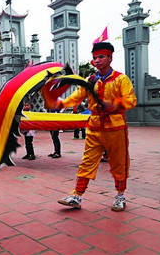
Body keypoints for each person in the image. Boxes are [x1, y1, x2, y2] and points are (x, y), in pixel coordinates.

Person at [56, 42, 137, 212]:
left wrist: (113, 105)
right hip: (94, 128)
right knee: (87, 162)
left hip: (116, 128)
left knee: (118, 163)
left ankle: (120, 196)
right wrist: (63, 103)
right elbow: (77, 96)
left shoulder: (121, 79)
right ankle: (77, 196)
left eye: (101, 57)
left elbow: (131, 100)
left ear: (110, 57)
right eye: (94, 58)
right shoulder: (90, 80)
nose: (97, 60)